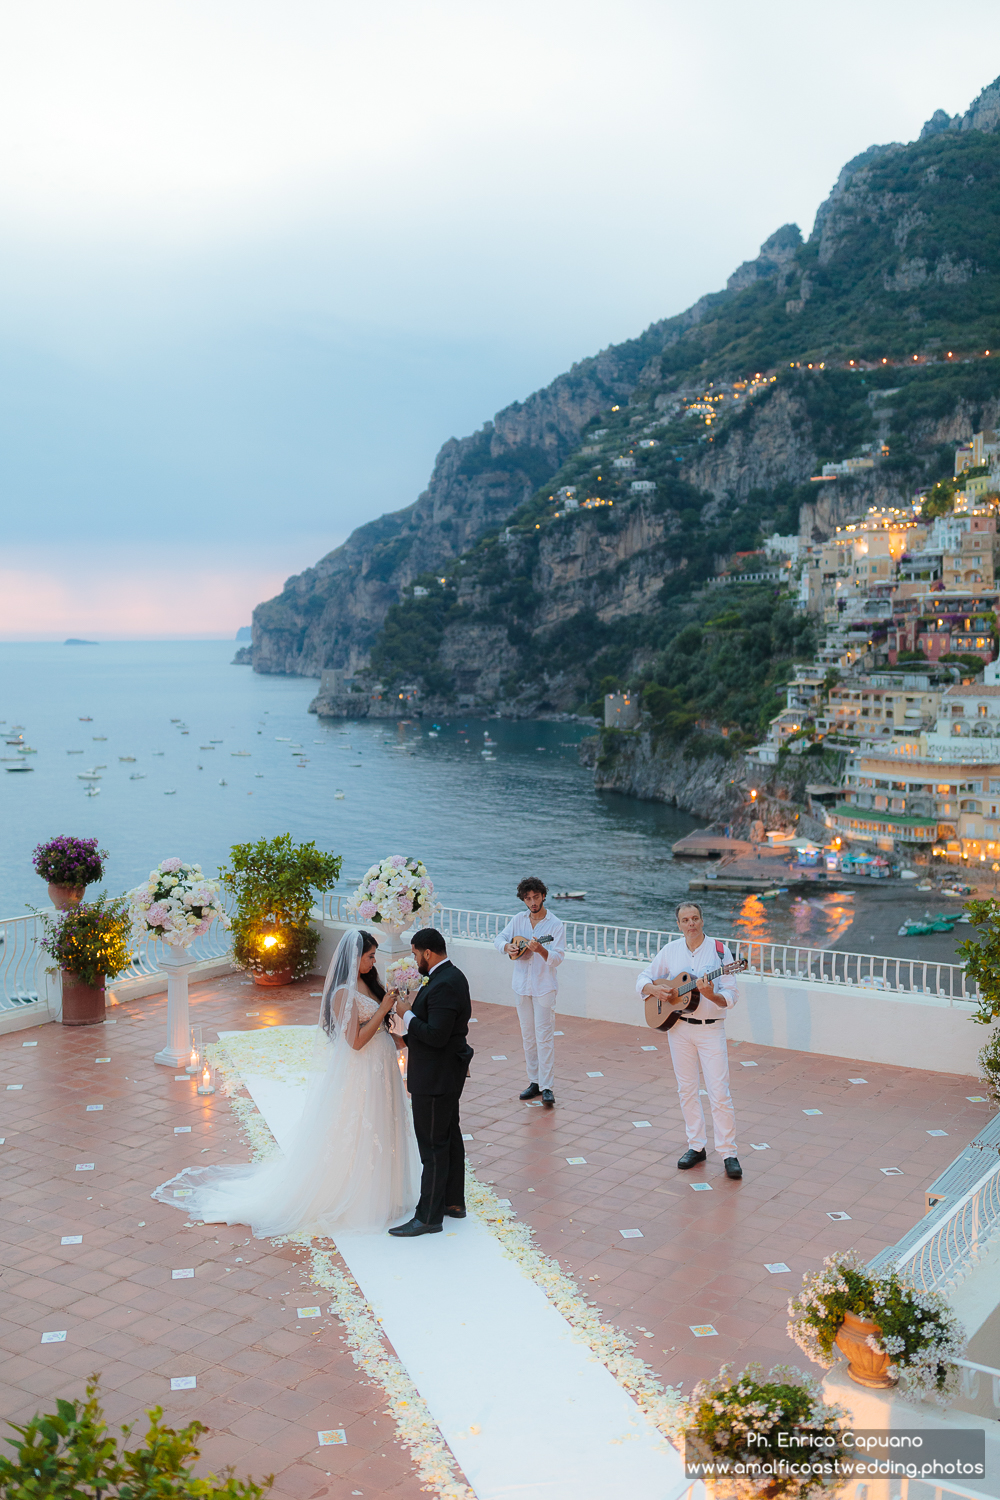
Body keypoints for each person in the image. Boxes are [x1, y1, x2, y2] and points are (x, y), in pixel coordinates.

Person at [151, 929, 421, 1234]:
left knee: (385, 1123)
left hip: (382, 1070)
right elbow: (356, 1042)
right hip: (362, 1073)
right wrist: (383, 1009)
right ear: (354, 958)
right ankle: (359, 1196)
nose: (374, 962)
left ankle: (387, 1192)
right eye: (370, 956)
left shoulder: (371, 984)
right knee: (361, 1128)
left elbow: (384, 1032)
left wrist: (406, 1029)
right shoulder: (342, 994)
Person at [637, 901, 742, 1181]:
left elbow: (730, 996)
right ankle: (696, 1146)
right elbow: (643, 978)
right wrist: (653, 989)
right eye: (685, 920)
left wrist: (710, 995)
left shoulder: (720, 952)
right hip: (679, 1028)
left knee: (719, 1091)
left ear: (702, 920)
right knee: (687, 1089)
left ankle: (728, 1153)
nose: (691, 924)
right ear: (679, 924)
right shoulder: (670, 950)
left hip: (710, 1030)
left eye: (695, 918)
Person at [389, 928, 474, 1238]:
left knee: (433, 1145)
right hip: (443, 1070)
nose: (414, 960)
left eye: (415, 954)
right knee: (448, 1135)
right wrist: (403, 1037)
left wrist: (406, 1013)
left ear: (427, 953)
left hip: (437, 1076)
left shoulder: (446, 983)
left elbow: (437, 1035)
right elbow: (440, 1030)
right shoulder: (447, 977)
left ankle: (428, 1217)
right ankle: (453, 1202)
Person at [493, 877, 565, 1106]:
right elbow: (499, 939)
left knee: (544, 1037)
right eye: (528, 898)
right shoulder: (518, 920)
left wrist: (542, 951)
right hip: (521, 986)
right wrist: (507, 947)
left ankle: (547, 1087)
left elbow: (558, 958)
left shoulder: (555, 924)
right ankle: (534, 1082)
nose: (532, 902)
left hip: (544, 988)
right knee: (528, 1036)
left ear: (543, 895)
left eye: (536, 897)